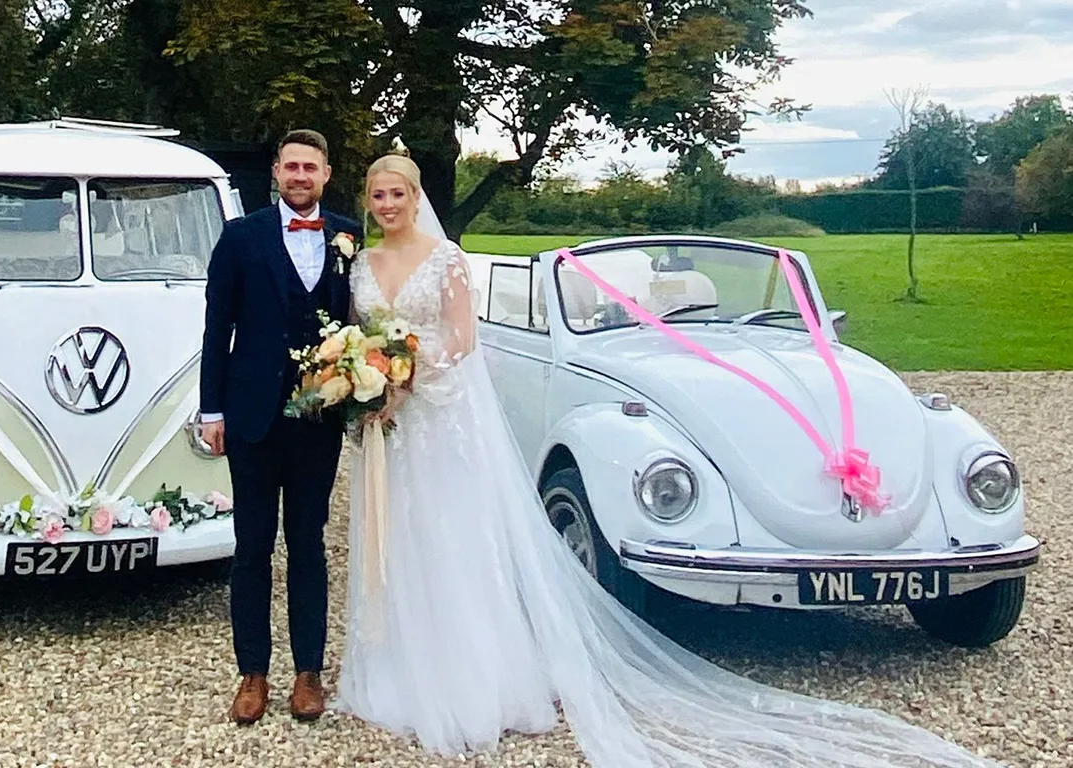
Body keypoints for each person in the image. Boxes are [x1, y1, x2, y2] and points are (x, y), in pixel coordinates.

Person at [332, 151, 1003, 768]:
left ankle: (472, 674)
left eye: (398, 192)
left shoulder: (444, 258)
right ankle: (402, 667)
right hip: (392, 421)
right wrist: (373, 382)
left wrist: (406, 377)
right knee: (404, 539)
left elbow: (459, 337)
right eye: (378, 193)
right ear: (370, 199)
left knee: (455, 539)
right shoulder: (362, 262)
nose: (388, 202)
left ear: (417, 197)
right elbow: (370, 332)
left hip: (428, 405)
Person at [199, 129, 364, 725]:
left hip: (318, 418)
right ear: (275, 172)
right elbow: (217, 329)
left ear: (325, 174)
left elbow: (362, 321)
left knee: (309, 547)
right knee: (251, 549)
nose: (299, 176)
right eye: (290, 166)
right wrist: (210, 409)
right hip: (250, 416)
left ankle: (308, 672)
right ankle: (252, 673)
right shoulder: (240, 237)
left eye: (310, 168)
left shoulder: (349, 234)